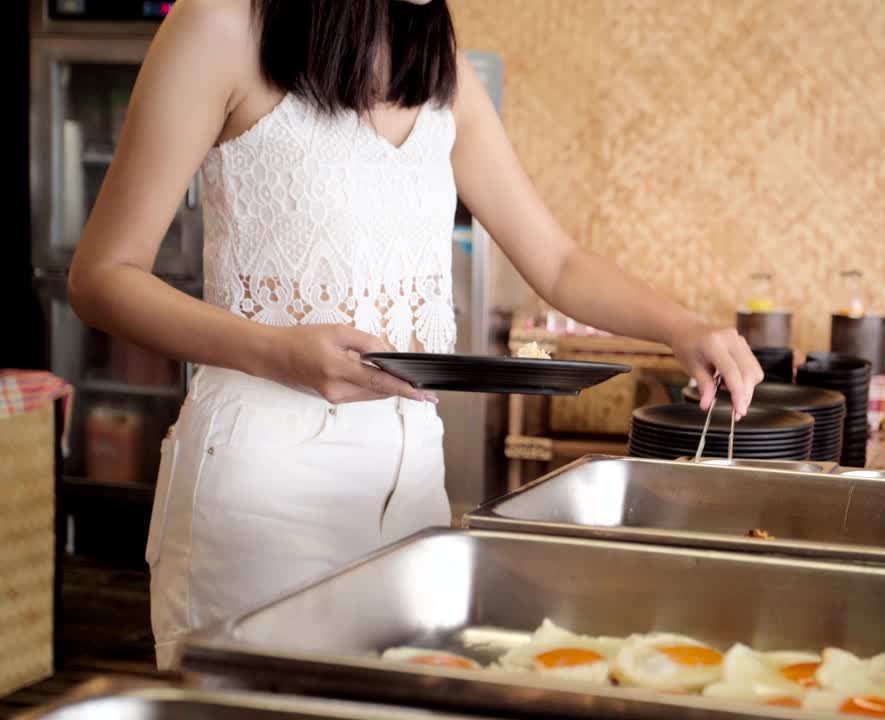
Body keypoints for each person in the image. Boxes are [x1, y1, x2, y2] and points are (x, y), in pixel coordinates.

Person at [68, 0, 763, 669]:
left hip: (411, 486)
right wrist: (277, 352)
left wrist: (682, 326)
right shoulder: (218, 24)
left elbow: (557, 262)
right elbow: (102, 276)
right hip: (261, 485)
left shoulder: (439, 72)